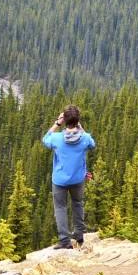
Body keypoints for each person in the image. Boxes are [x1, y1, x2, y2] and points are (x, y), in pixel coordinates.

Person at [42, 105, 96, 249]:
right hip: (77, 179)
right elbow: (92, 143)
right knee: (78, 204)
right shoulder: (84, 139)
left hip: (59, 180)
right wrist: (80, 127)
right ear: (77, 121)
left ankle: (65, 241)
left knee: (60, 208)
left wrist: (57, 123)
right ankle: (79, 235)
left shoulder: (57, 138)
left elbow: (45, 138)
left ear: (64, 120)